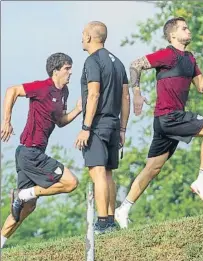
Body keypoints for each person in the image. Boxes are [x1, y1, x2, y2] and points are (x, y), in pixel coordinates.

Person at [115, 17, 203, 229]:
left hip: (166, 122)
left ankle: (123, 209)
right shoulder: (167, 54)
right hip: (169, 117)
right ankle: (201, 181)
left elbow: (201, 88)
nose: (189, 31)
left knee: (152, 168)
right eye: (184, 28)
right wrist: (137, 92)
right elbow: (136, 64)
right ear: (173, 35)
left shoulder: (190, 59)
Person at [1, 53, 82, 248]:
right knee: (71, 182)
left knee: (26, 208)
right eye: (67, 68)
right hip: (30, 152)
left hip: (30, 154)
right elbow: (12, 91)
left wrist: (78, 109)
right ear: (56, 71)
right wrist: (6, 121)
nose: (70, 72)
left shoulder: (64, 92)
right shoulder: (42, 87)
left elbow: (60, 122)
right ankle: (23, 194)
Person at [75, 21, 130, 234]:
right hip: (114, 124)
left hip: (97, 124)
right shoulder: (117, 62)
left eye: (83, 34)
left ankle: (103, 222)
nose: (81, 38)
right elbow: (126, 97)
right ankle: (110, 222)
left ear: (89, 37)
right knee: (107, 173)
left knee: (97, 172)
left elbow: (94, 93)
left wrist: (86, 127)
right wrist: (123, 129)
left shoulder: (92, 61)